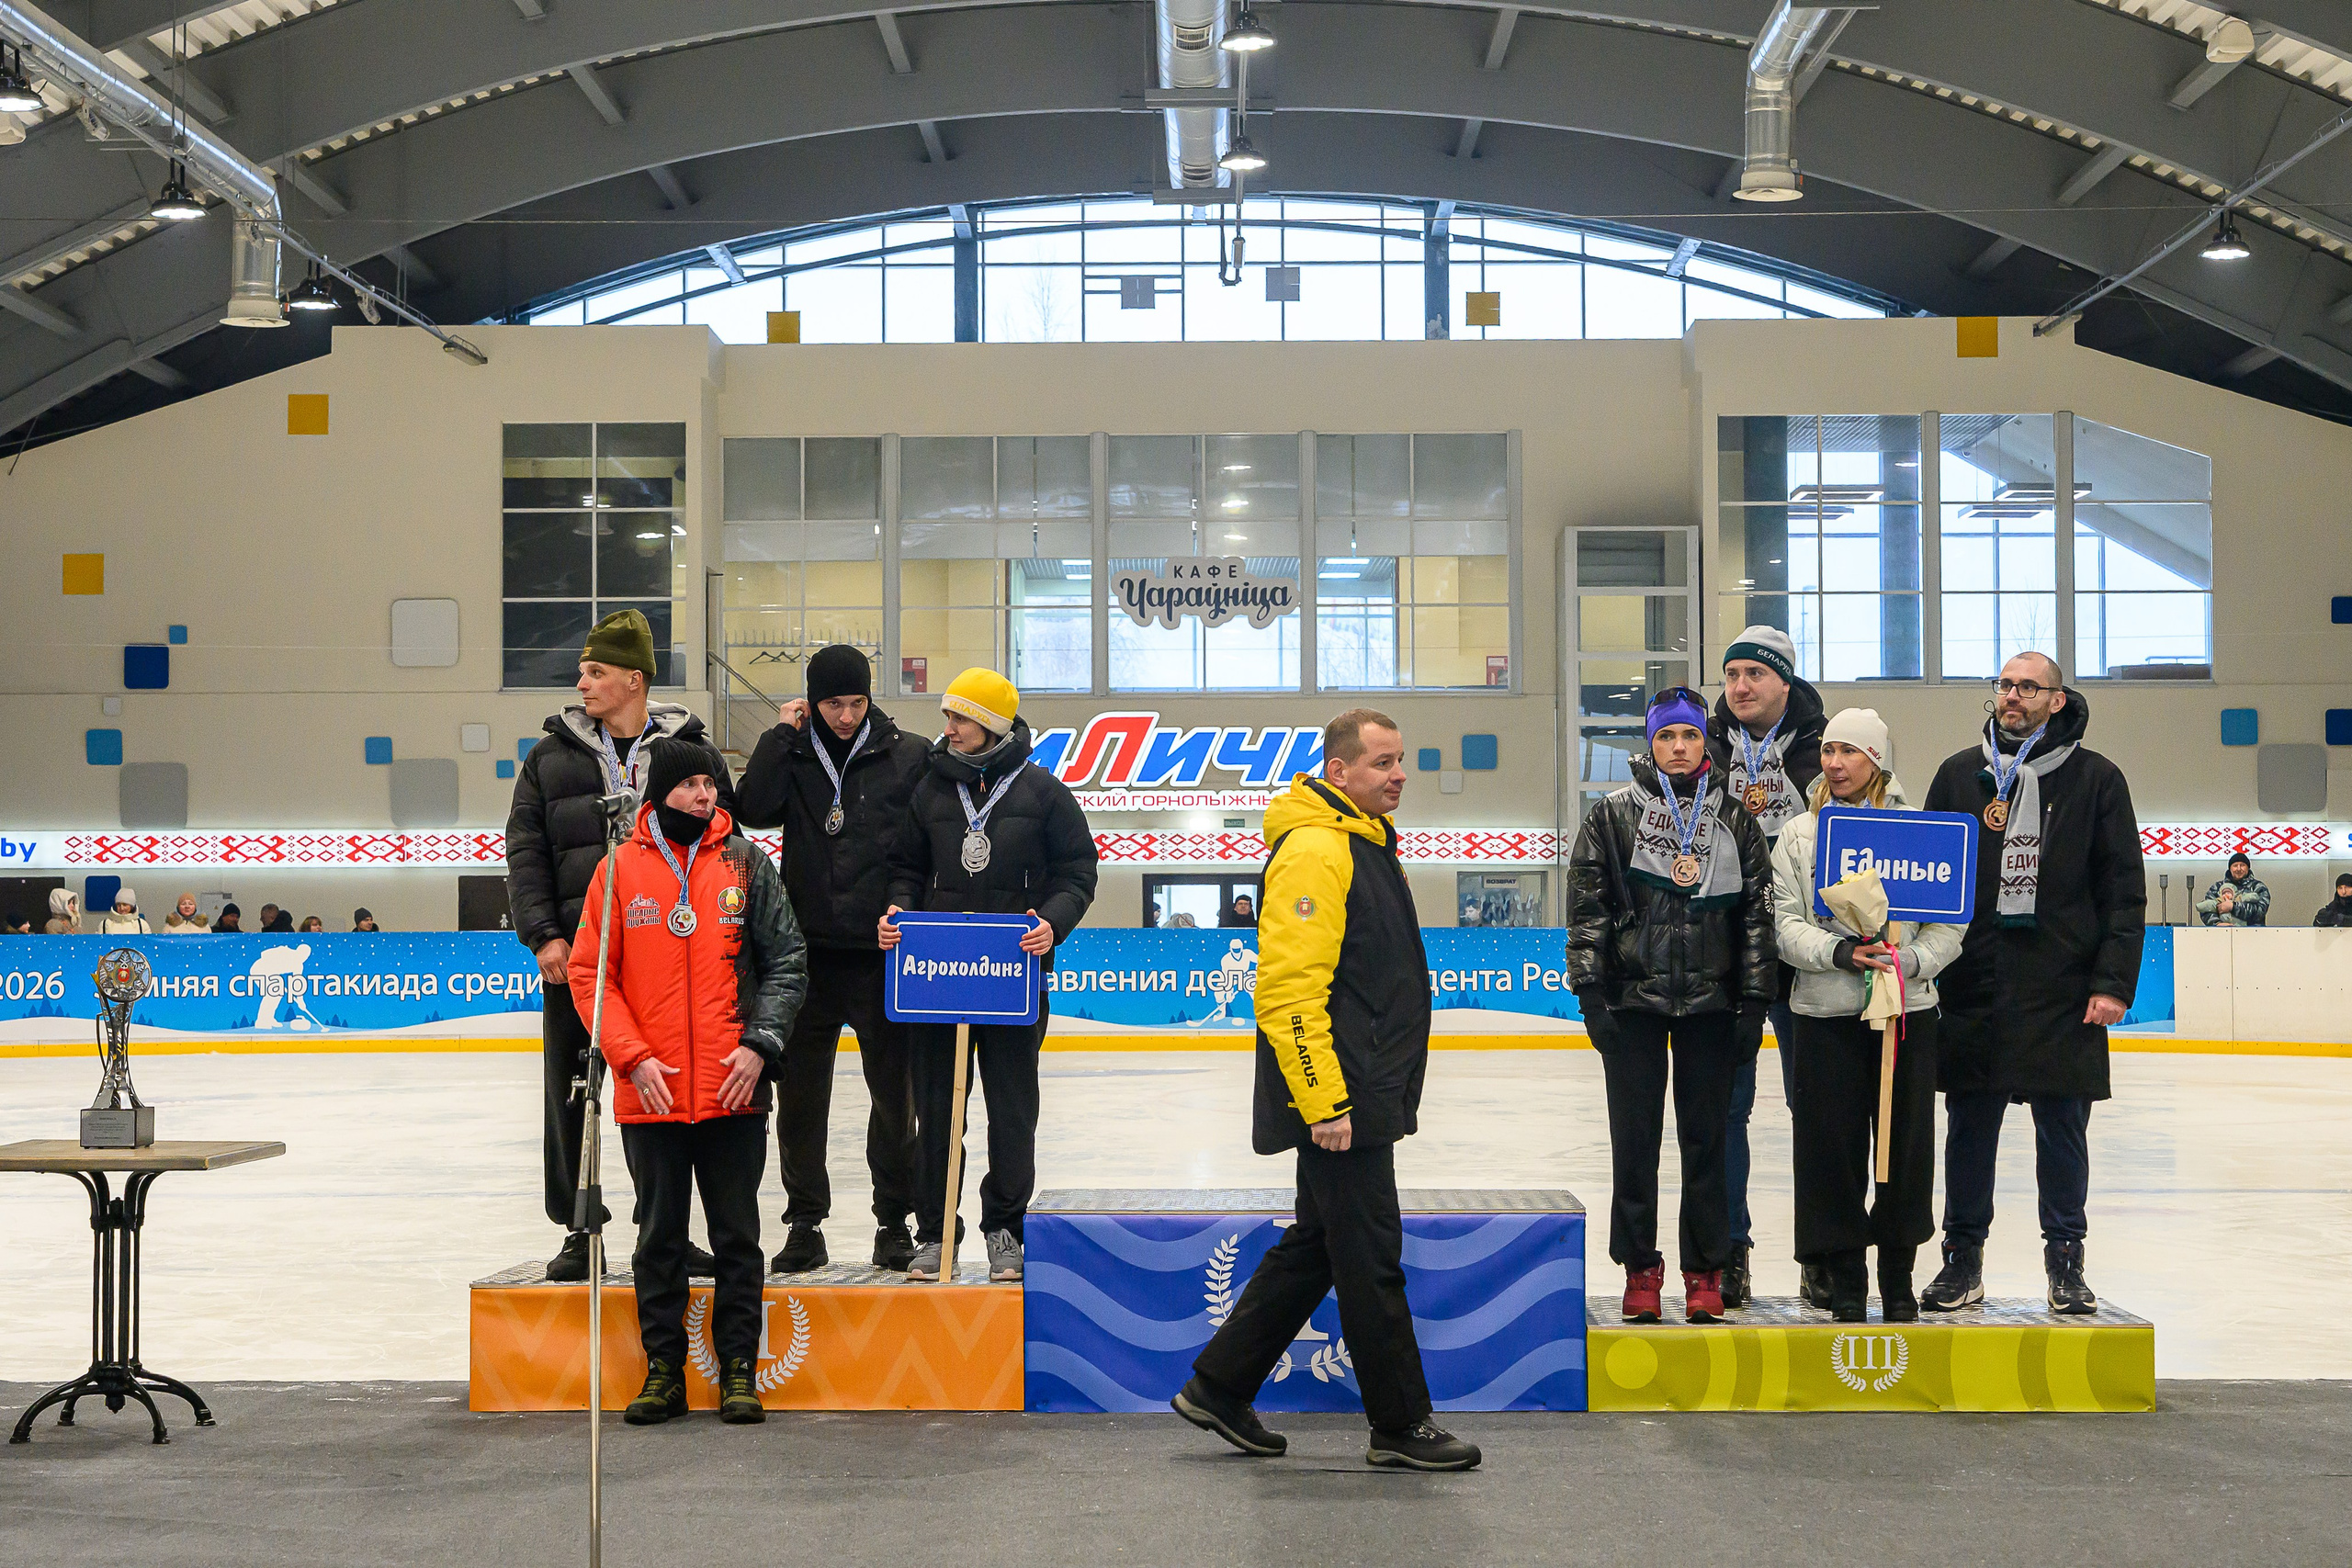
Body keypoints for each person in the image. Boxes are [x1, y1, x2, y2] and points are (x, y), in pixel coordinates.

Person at [1174, 709, 1480, 1473]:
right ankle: (1401, 1421)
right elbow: (1286, 991)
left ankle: (1219, 1384)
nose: (1399, 773)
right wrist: (1324, 1102)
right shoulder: (1316, 851)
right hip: (1342, 1092)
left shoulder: (1363, 840)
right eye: (1382, 762)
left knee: (1320, 1243)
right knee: (1370, 1253)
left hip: (1362, 1080)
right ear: (1339, 771)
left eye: (1402, 759)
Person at [570, 739, 808, 1428]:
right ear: (661, 792)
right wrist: (631, 1056)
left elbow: (789, 958)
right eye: (693, 784)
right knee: (659, 1238)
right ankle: (664, 1371)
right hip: (653, 1092)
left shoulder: (747, 862)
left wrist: (760, 1046)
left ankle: (739, 1369)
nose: (707, 795)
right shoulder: (618, 871)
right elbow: (591, 975)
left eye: (713, 783)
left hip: (735, 1089)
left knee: (738, 1235)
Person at [507, 607, 738, 1284]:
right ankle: (579, 1228)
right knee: (572, 1093)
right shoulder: (549, 757)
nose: (581, 681)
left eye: (596, 671)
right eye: (582, 670)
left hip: (669, 963)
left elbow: (726, 841)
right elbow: (524, 850)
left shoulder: (687, 754)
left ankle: (661, 1227)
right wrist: (544, 934)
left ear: (634, 680)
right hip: (579, 963)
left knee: (663, 1102)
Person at [1922, 653, 2143, 1315]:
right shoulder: (1961, 775)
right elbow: (1927, 873)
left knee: (2062, 1131)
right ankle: (1962, 1261)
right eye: (2004, 685)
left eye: (2027, 687)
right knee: (1968, 1130)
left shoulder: (2097, 779)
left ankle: (2066, 1261)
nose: (2012, 696)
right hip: (1974, 982)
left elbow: (2123, 890)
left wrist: (2112, 982)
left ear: (2056, 700)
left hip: (2062, 985)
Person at [880, 668, 1097, 1284]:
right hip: (937, 982)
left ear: (993, 725)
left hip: (1011, 981)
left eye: (960, 718)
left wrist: (1053, 923)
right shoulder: (929, 789)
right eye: (948, 716)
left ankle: (1005, 1227)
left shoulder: (1044, 793)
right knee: (938, 1111)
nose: (946, 728)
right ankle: (934, 1231)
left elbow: (1078, 871)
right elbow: (903, 866)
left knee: (1012, 1110)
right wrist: (899, 912)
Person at [1568, 687, 1774, 1325]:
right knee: (1635, 1142)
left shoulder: (1734, 818)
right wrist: (1591, 994)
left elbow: (1757, 919)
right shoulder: (1612, 814)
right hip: (1634, 1000)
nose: (1679, 747)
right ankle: (1640, 1268)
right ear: (1650, 744)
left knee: (1706, 1141)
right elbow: (1586, 911)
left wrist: (1753, 1002)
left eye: (1688, 735)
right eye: (1666, 737)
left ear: (1702, 742)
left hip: (1712, 1003)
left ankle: (1705, 1268)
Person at [731, 643, 928, 1275]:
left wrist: (903, 905)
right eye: (832, 703)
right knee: (801, 1102)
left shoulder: (907, 756)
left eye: (856, 701)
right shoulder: (794, 753)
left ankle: (892, 1221)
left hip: (882, 956)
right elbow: (750, 807)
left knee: (895, 1100)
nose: (845, 716)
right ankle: (804, 1223)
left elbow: (920, 847)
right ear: (812, 702)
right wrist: (777, 736)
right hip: (807, 957)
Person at [1770, 710, 1964, 1323]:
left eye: (1850, 751)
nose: (1835, 762)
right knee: (1831, 1149)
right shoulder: (1799, 836)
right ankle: (1843, 1275)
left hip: (1906, 1015)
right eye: (1828, 749)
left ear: (1876, 759)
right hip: (1825, 1015)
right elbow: (1785, 922)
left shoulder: (1917, 831)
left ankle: (1898, 1277)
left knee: (1903, 1149)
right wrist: (1838, 951)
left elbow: (1949, 923)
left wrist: (1907, 961)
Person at [1703, 624, 1826, 1308]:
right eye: (1732, 675)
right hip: (1731, 954)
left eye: (1755, 673)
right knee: (1726, 1112)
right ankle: (1728, 1253)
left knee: (1818, 1110)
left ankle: (1820, 1251)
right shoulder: (1705, 745)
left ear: (1784, 681)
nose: (1741, 686)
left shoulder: (1829, 745)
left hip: (1812, 953)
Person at [2196, 854, 2269, 928]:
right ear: (2230, 869)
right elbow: (2206, 909)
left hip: (2253, 934)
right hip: (2221, 933)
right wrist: (2217, 923)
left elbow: (2260, 912)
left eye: (2242, 865)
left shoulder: (2258, 887)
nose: (2239, 869)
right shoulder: (2217, 887)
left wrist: (2233, 907)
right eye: (2235, 865)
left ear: (2248, 868)